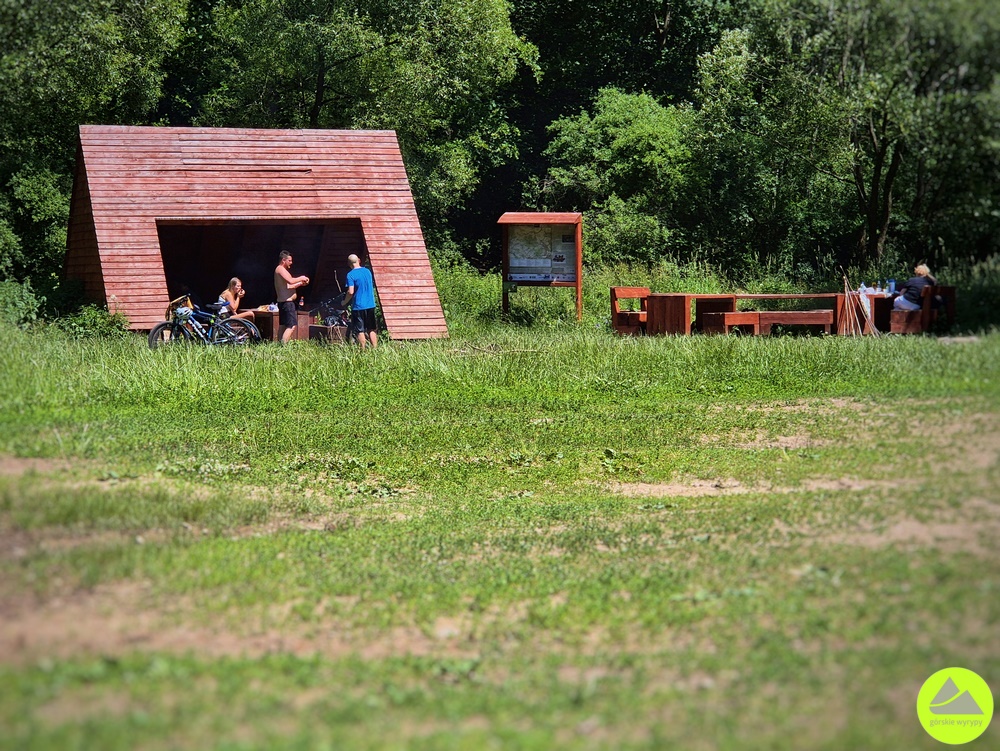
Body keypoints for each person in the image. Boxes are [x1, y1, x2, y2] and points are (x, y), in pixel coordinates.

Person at [274, 250, 309, 343]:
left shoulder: (280, 270)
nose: (291, 263)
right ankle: (283, 346)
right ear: (283, 260)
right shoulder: (280, 269)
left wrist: (301, 283)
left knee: (283, 325)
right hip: (287, 303)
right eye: (289, 260)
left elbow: (289, 286)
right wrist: (302, 277)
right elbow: (290, 281)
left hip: (283, 302)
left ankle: (279, 346)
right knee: (291, 325)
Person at [343, 253, 378, 349]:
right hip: (370, 305)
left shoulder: (350, 275)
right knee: (371, 329)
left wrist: (344, 302)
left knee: (360, 330)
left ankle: (363, 351)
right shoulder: (368, 272)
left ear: (349, 264)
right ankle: (375, 350)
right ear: (359, 260)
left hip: (358, 306)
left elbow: (350, 292)